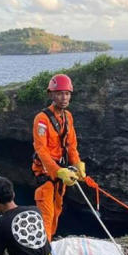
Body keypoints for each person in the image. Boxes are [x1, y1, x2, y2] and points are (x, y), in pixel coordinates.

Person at [31, 73, 87, 241]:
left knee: (56, 212)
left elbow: (71, 145)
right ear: (52, 95)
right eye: (60, 93)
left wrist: (77, 164)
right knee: (46, 216)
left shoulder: (68, 117)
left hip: (60, 175)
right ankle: (45, 253)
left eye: (67, 93)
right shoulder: (42, 120)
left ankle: (49, 244)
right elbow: (41, 151)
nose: (64, 97)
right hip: (46, 175)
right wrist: (58, 171)